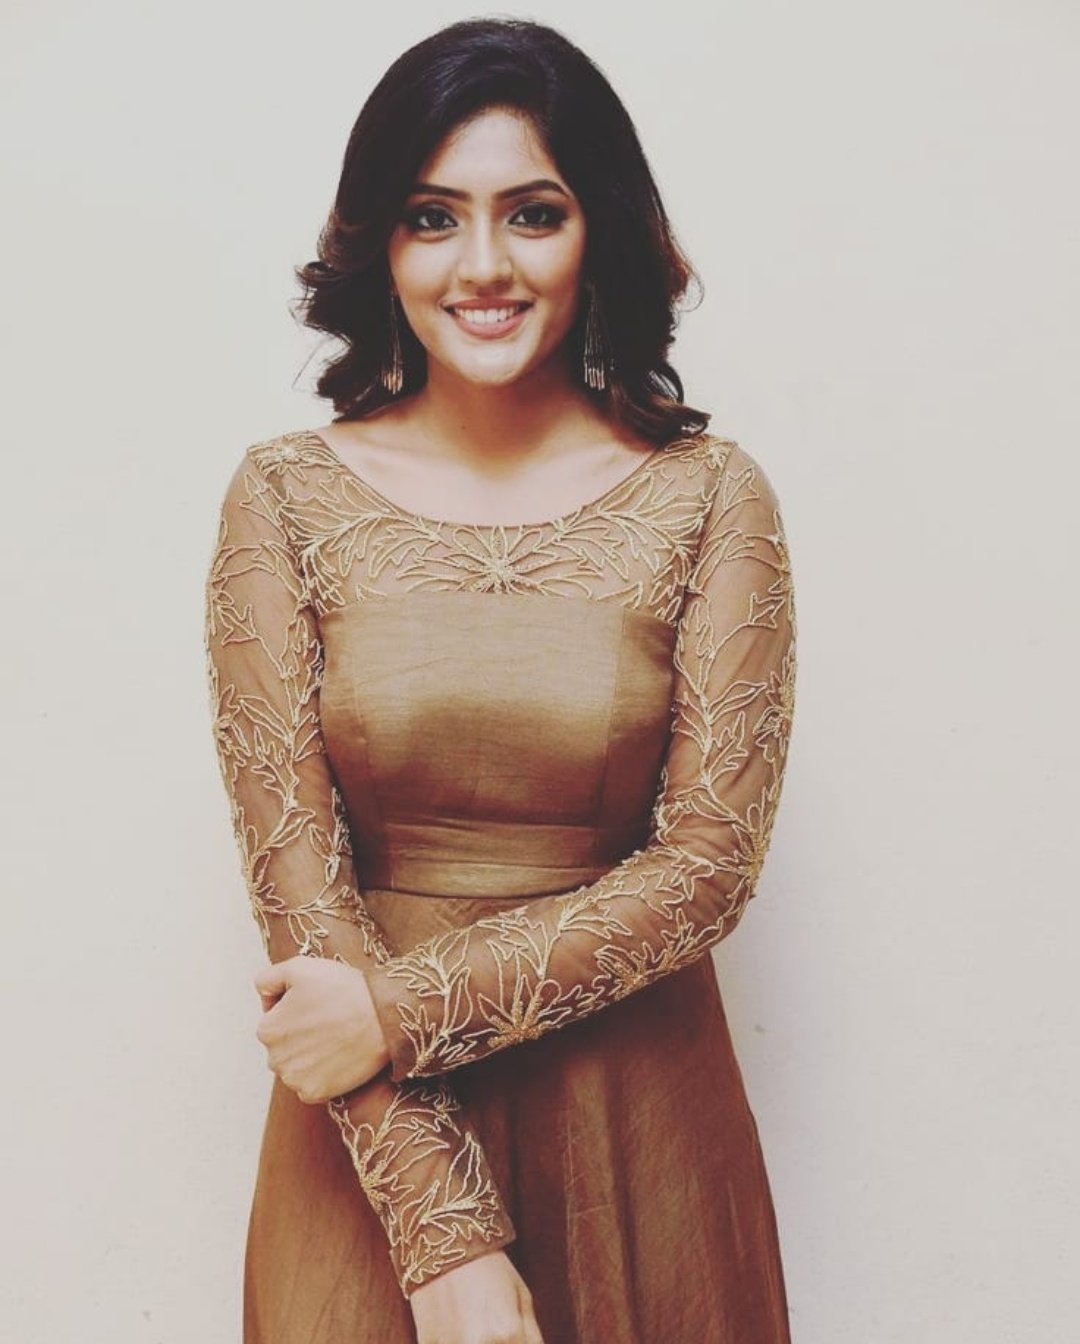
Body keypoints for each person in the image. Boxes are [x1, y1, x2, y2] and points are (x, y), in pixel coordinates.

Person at [203, 17, 796, 1344]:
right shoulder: (284, 498)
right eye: (434, 218)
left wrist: (395, 1011)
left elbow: (709, 867)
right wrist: (446, 1244)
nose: (483, 266)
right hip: (370, 1145)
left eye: (533, 214)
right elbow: (300, 896)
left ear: (600, 232)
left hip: (638, 1120)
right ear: (380, 242)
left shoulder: (710, 497)